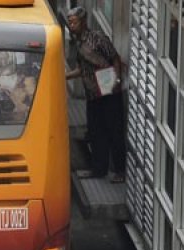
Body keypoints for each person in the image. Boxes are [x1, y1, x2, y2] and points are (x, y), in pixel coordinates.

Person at [65, 6, 127, 183]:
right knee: (95, 132)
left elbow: (114, 58)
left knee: (114, 132)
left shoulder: (97, 38)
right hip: (92, 94)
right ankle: (98, 169)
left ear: (83, 21)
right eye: (69, 22)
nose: (71, 25)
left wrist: (116, 81)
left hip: (108, 92)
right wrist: (64, 76)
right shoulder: (78, 42)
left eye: (74, 22)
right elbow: (82, 69)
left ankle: (120, 171)